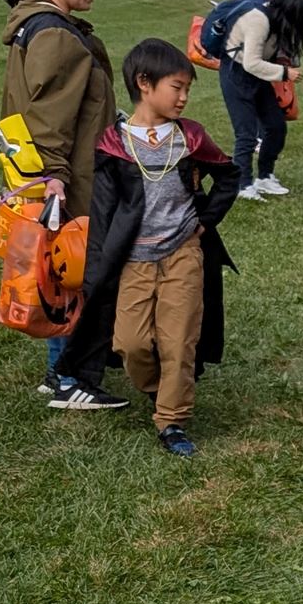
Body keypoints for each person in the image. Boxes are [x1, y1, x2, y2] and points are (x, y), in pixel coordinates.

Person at [61, 38, 241, 455]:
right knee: (132, 343)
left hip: (183, 254)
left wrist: (204, 222)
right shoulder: (114, 144)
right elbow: (102, 213)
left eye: (187, 89)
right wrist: (95, 271)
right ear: (145, 83)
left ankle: (171, 420)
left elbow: (228, 175)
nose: (184, 97)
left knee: (178, 341)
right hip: (134, 261)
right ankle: (159, 389)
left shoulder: (190, 136)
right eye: (177, 87)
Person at [0, 0, 114, 402]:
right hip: (67, 176)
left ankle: (65, 370)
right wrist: (55, 182)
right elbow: (49, 119)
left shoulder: (34, 24)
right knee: (71, 271)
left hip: (43, 171)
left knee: (61, 270)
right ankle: (68, 378)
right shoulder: (58, 37)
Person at [222, 0, 303, 199]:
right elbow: (251, 63)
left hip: (258, 75)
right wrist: (284, 73)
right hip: (236, 72)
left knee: (276, 126)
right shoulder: (258, 21)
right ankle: (242, 184)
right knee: (246, 133)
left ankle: (265, 176)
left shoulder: (277, 21)